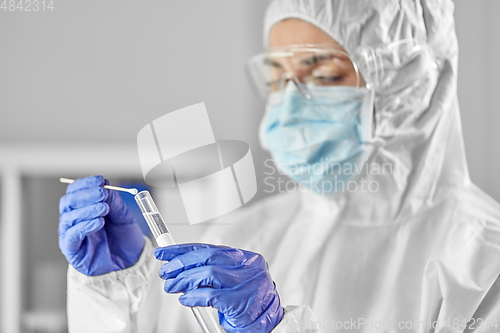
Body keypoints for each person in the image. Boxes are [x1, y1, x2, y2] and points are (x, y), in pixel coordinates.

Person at [58, 0, 500, 332]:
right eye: (276, 78)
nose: (289, 106)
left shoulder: (483, 267)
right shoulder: (236, 241)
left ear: (411, 79)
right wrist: (115, 290)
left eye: (323, 75)